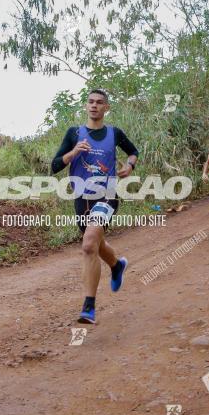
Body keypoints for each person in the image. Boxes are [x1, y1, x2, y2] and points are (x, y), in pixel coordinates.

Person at [51, 89, 138, 324]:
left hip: (107, 195)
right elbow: (55, 165)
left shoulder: (114, 133)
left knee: (89, 244)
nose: (94, 106)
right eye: (90, 102)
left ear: (106, 108)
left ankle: (88, 307)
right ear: (86, 105)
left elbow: (133, 152)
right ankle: (117, 265)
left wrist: (129, 166)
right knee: (96, 244)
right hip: (82, 198)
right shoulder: (74, 133)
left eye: (99, 103)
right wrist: (73, 152)